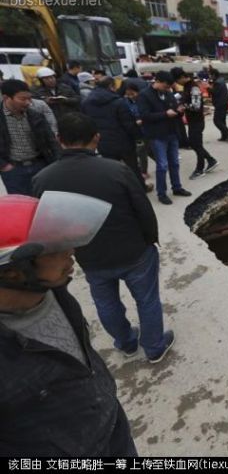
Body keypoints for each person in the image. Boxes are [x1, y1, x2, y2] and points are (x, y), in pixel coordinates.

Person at [0, 191, 138, 455]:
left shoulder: (53, 291)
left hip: (112, 426)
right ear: (13, 271)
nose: (71, 252)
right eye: (56, 249)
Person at [32, 113, 175, 367]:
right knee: (147, 299)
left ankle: (126, 343)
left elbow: (49, 224)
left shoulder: (43, 179)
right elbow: (143, 209)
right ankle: (154, 347)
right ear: (96, 138)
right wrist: (151, 240)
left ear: (58, 139)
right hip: (133, 251)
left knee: (106, 302)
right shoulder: (117, 170)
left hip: (89, 254)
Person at [81, 77, 148, 191]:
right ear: (111, 86)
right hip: (123, 141)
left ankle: (119, 191)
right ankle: (140, 188)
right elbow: (129, 124)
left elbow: (85, 122)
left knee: (112, 169)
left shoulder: (86, 102)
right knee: (132, 168)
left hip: (102, 141)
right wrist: (138, 137)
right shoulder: (118, 102)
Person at [136, 71, 192, 205]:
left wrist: (179, 112)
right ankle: (162, 193)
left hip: (171, 132)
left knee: (175, 163)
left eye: (169, 87)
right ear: (158, 81)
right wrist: (165, 114)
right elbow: (145, 116)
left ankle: (177, 187)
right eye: (166, 86)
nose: (168, 89)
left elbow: (173, 109)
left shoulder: (168, 93)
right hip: (156, 135)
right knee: (162, 165)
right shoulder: (144, 95)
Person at [0, 79, 61, 196]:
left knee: (45, 201)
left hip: (40, 166)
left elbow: (51, 141)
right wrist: (4, 166)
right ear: (6, 98)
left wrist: (56, 162)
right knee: (22, 206)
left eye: (29, 98)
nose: (28, 102)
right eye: (22, 99)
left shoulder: (35, 115)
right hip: (13, 171)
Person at [174, 69, 218, 180]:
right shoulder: (187, 87)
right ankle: (211, 160)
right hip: (193, 121)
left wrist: (184, 106)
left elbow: (196, 106)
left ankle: (200, 169)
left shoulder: (193, 87)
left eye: (177, 80)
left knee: (196, 145)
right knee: (194, 144)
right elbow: (182, 97)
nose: (177, 83)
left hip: (197, 121)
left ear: (182, 77)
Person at [208, 68, 228, 142]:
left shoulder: (217, 82)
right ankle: (224, 136)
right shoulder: (221, 80)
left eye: (210, 75)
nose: (210, 77)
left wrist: (209, 88)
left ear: (213, 75)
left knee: (216, 120)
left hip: (220, 104)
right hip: (225, 103)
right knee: (222, 120)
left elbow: (215, 92)